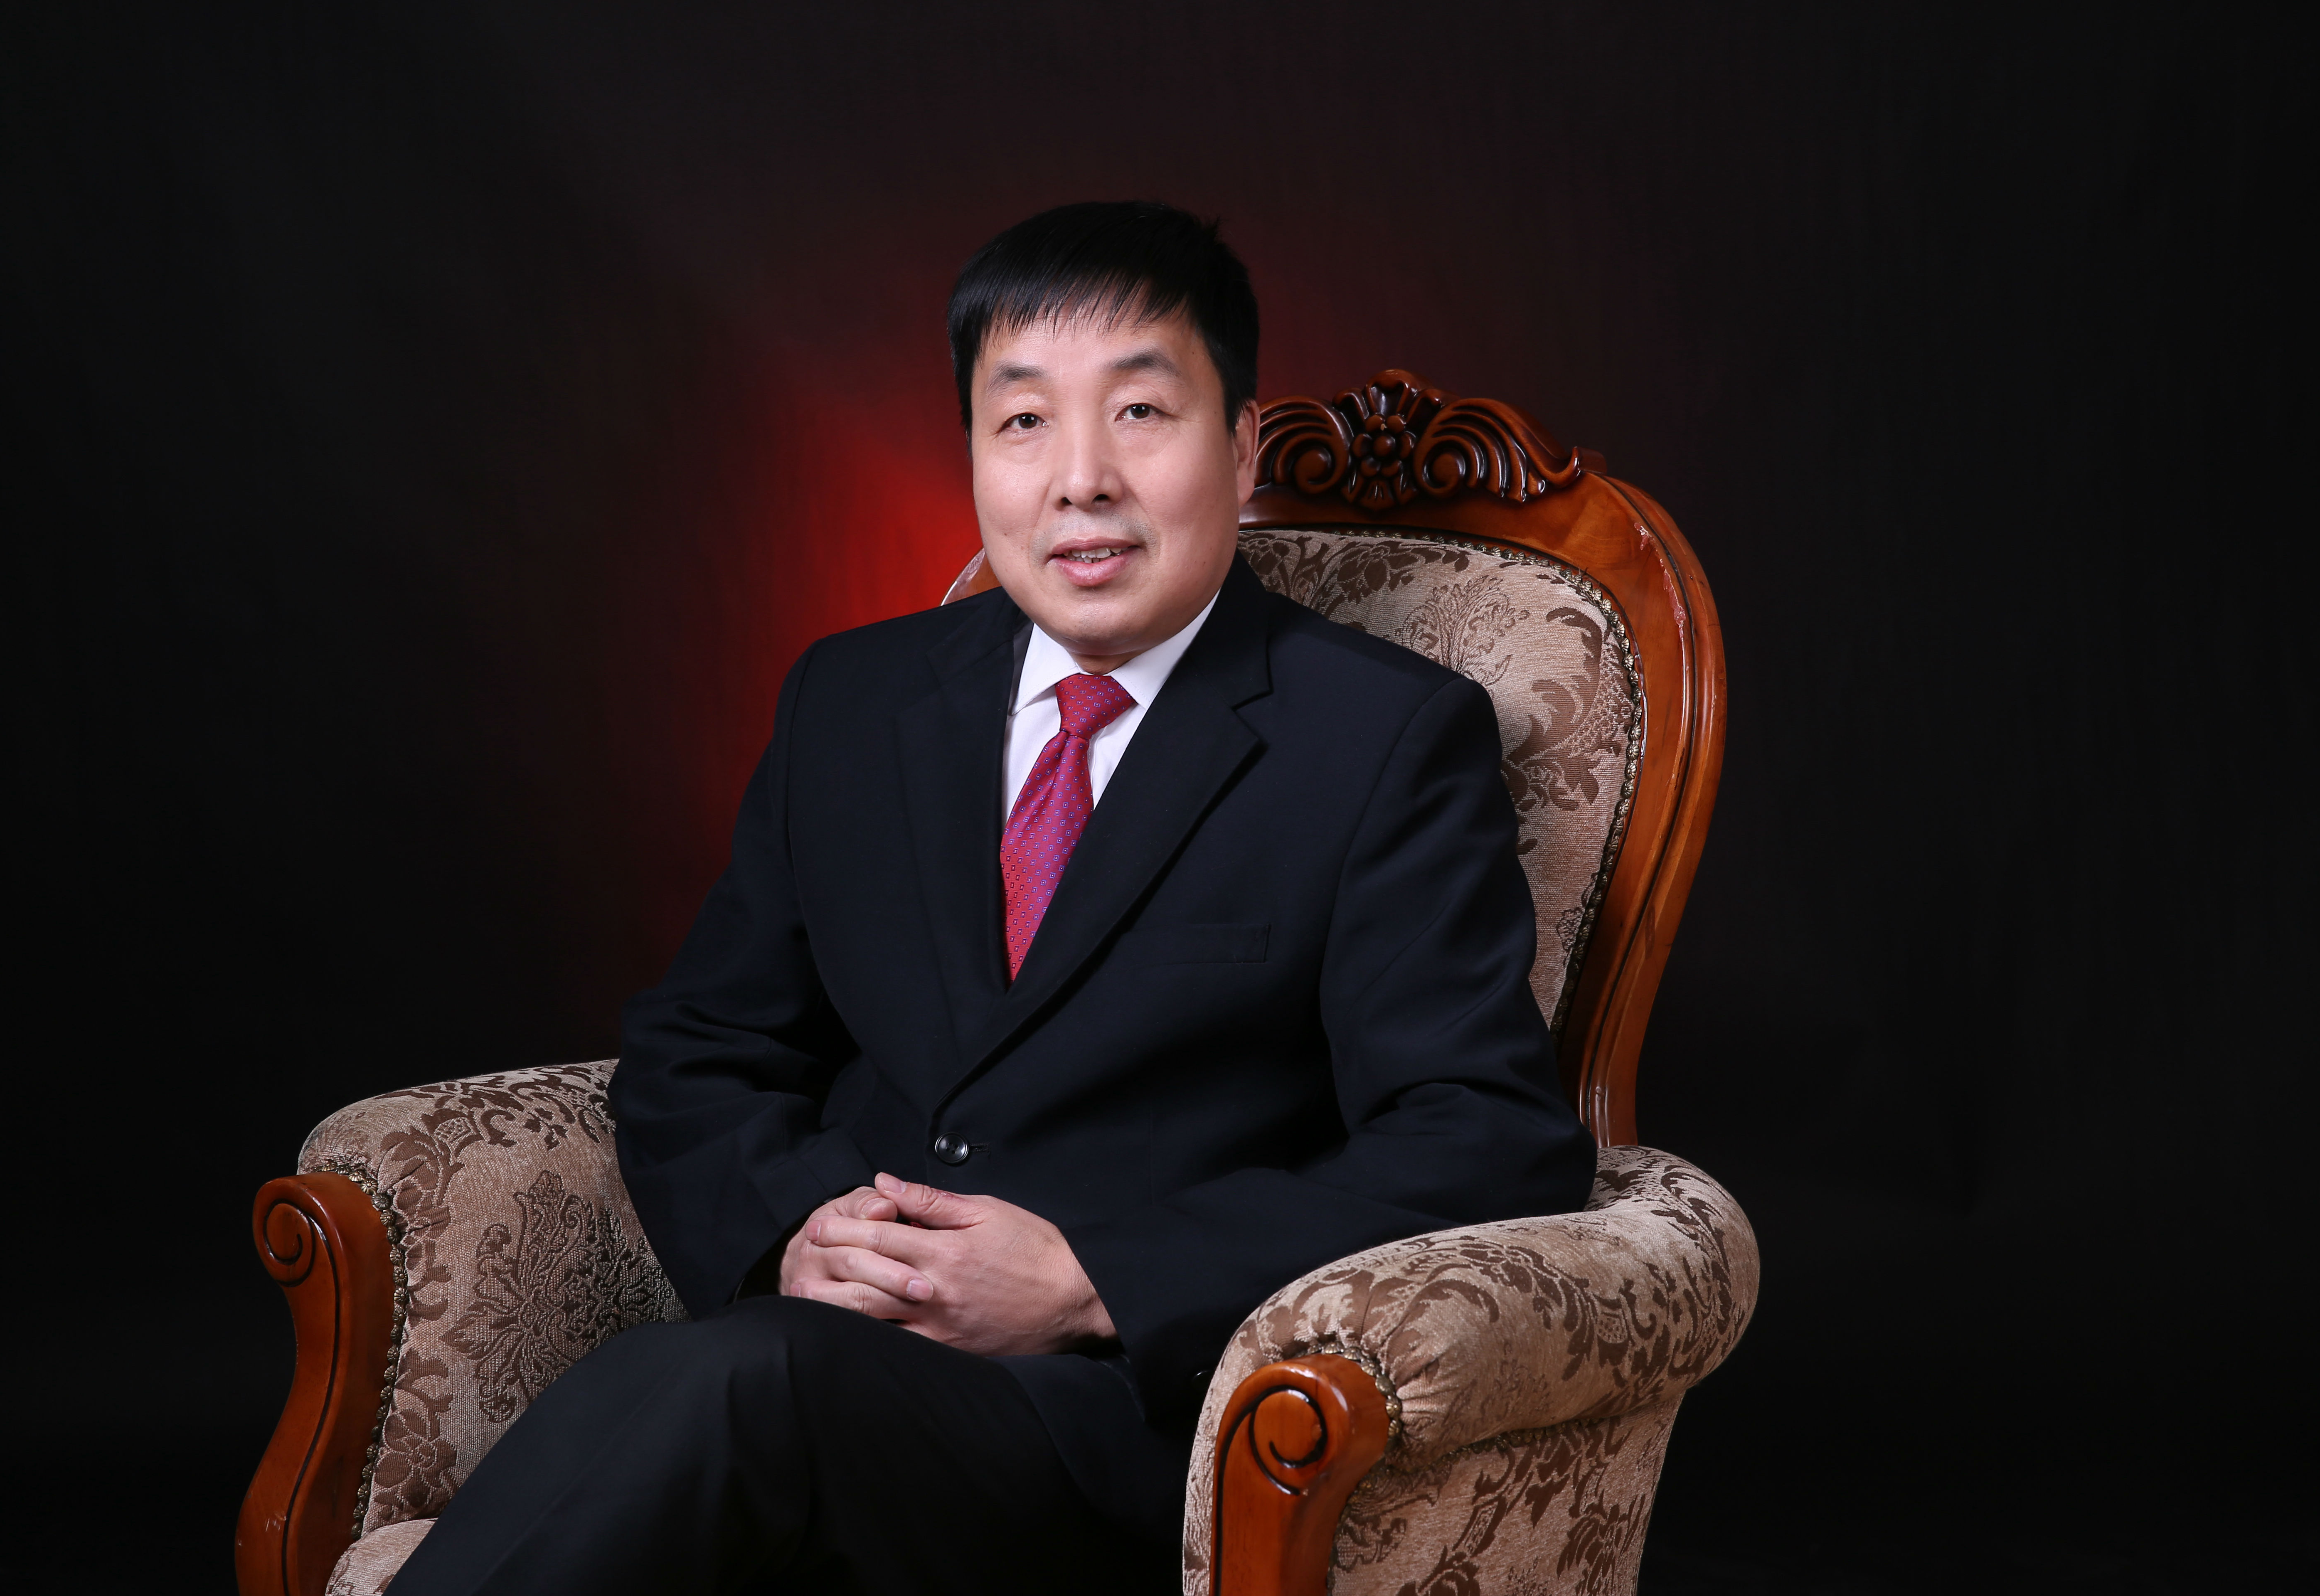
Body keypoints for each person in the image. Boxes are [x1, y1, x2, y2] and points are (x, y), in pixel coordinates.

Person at [386, 200, 1594, 1596]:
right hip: (819, 1364)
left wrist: (1094, 1279)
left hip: (1114, 1426)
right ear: (972, 452)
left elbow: (1483, 1137)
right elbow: (702, 1044)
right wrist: (799, 1229)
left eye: (1140, 412)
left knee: (739, 1389)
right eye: (1023, 421)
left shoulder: (1378, 738)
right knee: (738, 1383)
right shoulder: (853, 698)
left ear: (1241, 446)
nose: (1081, 480)